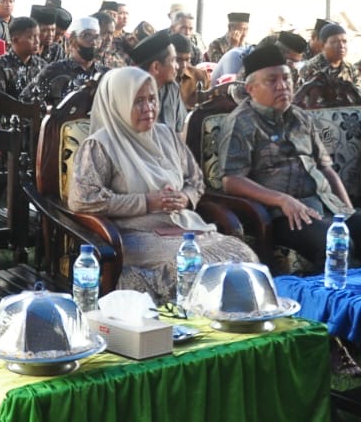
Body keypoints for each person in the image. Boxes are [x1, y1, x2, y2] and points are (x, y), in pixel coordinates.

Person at [67, 67, 257, 298]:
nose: (148, 108)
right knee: (195, 266)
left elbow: (195, 180)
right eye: (138, 101)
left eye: (152, 99)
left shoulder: (165, 135)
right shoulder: (100, 145)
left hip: (182, 225)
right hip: (135, 233)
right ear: (118, 103)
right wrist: (147, 202)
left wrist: (185, 197)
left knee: (242, 255)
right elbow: (83, 200)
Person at [218, 45, 361, 269]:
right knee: (337, 245)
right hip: (286, 216)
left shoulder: (301, 117)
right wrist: (282, 199)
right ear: (251, 88)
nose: (282, 86)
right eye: (272, 80)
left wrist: (347, 209)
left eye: (286, 78)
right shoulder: (241, 122)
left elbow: (326, 168)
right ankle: (330, 302)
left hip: (328, 207)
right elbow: (231, 181)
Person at [22, 16, 108, 106]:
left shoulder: (106, 74)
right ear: (72, 40)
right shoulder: (54, 71)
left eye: (96, 37)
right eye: (86, 36)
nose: (93, 42)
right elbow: (26, 101)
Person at [126, 30, 185, 133]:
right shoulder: (130, 92)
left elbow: (179, 131)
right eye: (173, 60)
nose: (177, 66)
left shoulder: (172, 88)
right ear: (156, 67)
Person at [0, 15, 44, 99]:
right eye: (31, 37)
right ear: (15, 40)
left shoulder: (42, 65)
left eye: (38, 36)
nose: (37, 41)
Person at [298, 23, 360, 88]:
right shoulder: (310, 69)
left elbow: (360, 94)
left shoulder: (351, 69)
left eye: (344, 41)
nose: (342, 46)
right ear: (322, 45)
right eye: (335, 42)